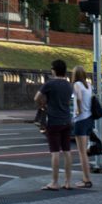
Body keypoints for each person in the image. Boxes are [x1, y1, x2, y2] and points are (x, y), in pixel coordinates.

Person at [34, 59, 73, 191]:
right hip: (67, 120)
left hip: (54, 121)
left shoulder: (50, 84)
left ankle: (54, 182)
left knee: (55, 152)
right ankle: (68, 182)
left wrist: (43, 105)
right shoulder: (69, 85)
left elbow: (36, 98)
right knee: (67, 151)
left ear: (54, 70)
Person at [71, 65, 94, 189]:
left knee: (82, 153)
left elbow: (79, 98)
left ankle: (86, 180)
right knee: (84, 151)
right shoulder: (89, 86)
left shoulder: (76, 85)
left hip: (80, 120)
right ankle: (86, 178)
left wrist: (78, 110)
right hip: (89, 118)